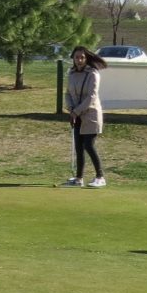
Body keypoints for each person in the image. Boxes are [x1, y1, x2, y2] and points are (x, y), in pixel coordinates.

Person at [62, 45, 107, 188]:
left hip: (91, 115)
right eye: (76, 57)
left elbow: (91, 96)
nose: (79, 60)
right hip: (76, 114)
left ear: (86, 58)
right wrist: (71, 109)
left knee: (88, 145)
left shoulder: (93, 73)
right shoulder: (71, 73)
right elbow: (68, 93)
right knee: (78, 147)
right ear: (73, 59)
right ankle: (79, 178)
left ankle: (100, 177)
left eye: (82, 57)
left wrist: (76, 111)